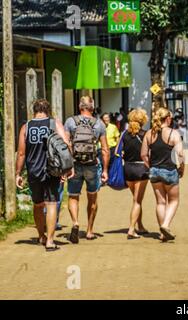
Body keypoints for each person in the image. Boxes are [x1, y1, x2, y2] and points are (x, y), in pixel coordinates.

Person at [15, 99, 72, 251]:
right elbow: (66, 144)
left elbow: (21, 153)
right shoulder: (54, 123)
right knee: (52, 203)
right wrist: (68, 167)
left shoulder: (26, 127)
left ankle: (41, 236)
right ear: (48, 110)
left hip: (33, 171)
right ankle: (50, 241)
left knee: (38, 204)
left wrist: (18, 173)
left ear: (34, 110)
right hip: (52, 170)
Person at [64, 96, 110, 243]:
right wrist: (105, 170)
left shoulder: (71, 121)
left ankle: (75, 223)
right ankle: (89, 231)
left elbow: (65, 145)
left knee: (73, 196)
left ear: (79, 106)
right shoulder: (99, 124)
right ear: (92, 107)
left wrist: (66, 166)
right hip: (92, 165)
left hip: (75, 165)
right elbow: (105, 150)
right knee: (92, 197)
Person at [141, 108, 185, 242]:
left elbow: (143, 154)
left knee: (160, 202)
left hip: (154, 171)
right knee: (174, 201)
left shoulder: (149, 134)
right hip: (170, 171)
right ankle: (165, 225)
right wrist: (182, 168)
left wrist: (151, 166)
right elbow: (181, 154)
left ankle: (162, 232)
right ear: (167, 119)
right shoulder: (173, 133)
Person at [119, 108, 150, 239]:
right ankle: (131, 229)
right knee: (137, 201)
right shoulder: (145, 134)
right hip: (141, 169)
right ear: (143, 120)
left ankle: (140, 225)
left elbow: (120, 151)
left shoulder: (124, 134)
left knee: (137, 200)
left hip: (127, 169)